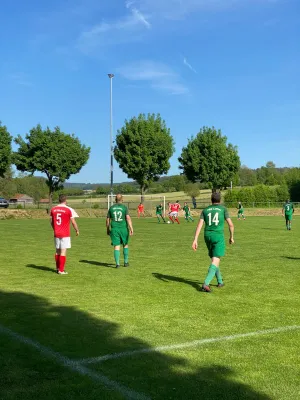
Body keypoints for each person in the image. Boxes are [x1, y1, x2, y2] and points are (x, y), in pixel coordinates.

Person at [192, 192, 234, 293]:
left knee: (214, 259)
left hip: (207, 236)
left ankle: (220, 281)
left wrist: (195, 239)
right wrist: (231, 237)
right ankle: (206, 284)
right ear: (220, 200)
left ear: (211, 200)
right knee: (215, 260)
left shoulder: (205, 210)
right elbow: (231, 225)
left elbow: (199, 225)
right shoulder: (223, 209)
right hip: (218, 236)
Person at [50, 194, 79, 275]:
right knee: (63, 251)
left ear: (59, 200)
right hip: (65, 233)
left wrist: (55, 229)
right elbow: (73, 222)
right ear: (66, 200)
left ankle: (57, 268)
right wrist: (77, 230)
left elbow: (51, 222)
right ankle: (61, 270)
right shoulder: (68, 209)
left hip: (56, 233)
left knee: (57, 251)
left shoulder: (53, 209)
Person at [107, 194, 134, 268]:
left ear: (115, 199)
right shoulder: (124, 207)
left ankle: (117, 264)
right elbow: (128, 218)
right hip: (123, 229)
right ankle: (125, 262)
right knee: (125, 244)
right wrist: (131, 228)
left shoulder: (111, 208)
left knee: (116, 246)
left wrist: (107, 229)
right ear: (122, 199)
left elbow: (108, 220)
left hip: (114, 229)